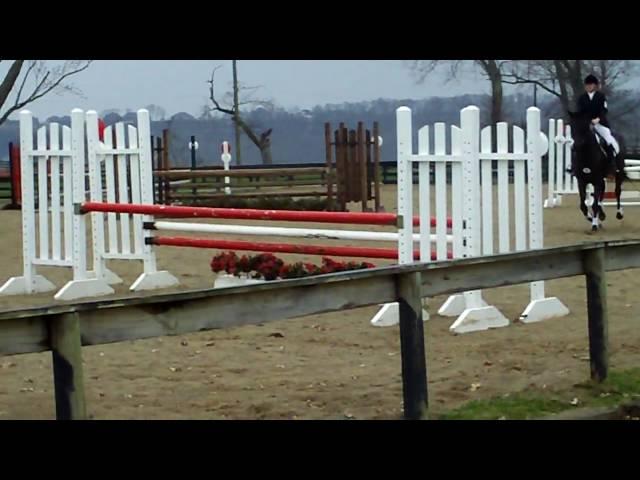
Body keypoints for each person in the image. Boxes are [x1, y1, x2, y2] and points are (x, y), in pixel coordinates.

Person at [576, 74, 620, 172]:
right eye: (587, 85)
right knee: (576, 142)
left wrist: (598, 119)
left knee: (608, 140)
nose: (589, 87)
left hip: (600, 123)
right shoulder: (582, 98)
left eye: (591, 85)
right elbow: (580, 111)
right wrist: (585, 121)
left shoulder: (601, 97)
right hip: (586, 124)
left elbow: (604, 110)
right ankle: (573, 165)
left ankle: (612, 163)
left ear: (594, 85)